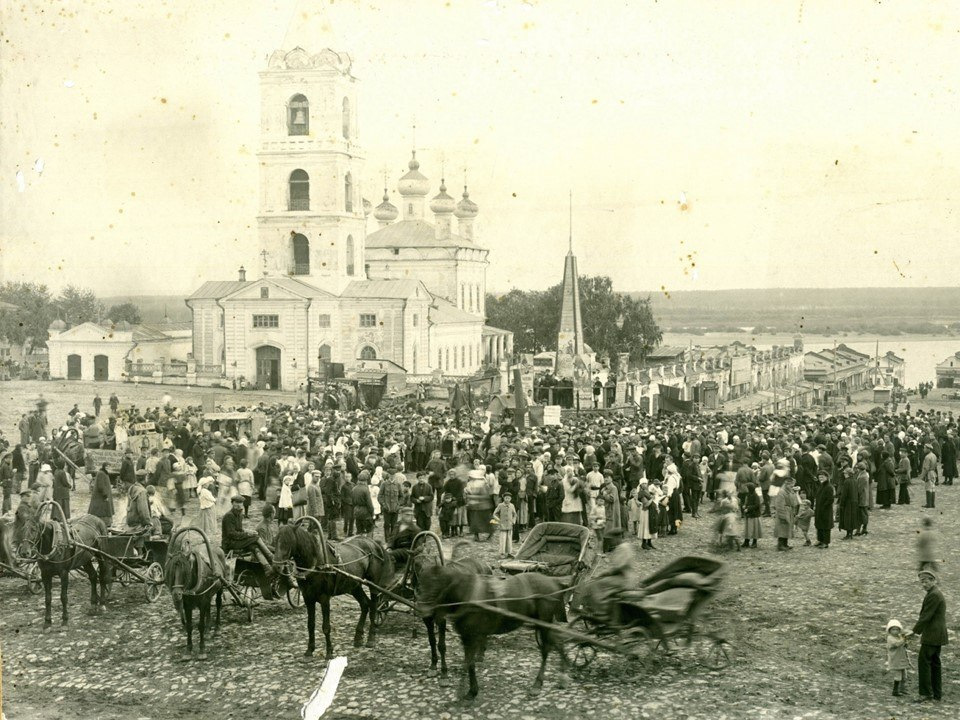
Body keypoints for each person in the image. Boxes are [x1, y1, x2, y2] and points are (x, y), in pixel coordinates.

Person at [912, 569, 947, 703]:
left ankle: (925, 693)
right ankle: (937, 694)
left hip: (932, 634)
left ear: (933, 581)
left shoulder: (934, 595)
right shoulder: (935, 593)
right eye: (922, 582)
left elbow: (926, 616)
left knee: (924, 661)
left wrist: (914, 631)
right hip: (938, 634)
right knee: (934, 662)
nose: (924, 584)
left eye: (926, 581)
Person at [885, 619, 910, 698]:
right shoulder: (890, 638)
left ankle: (902, 689)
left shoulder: (899, 637)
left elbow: (903, 645)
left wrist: (906, 643)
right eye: (893, 629)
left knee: (904, 675)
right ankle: (895, 690)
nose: (895, 631)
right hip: (895, 659)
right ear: (889, 630)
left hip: (901, 658)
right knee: (898, 676)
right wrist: (903, 639)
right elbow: (896, 644)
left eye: (897, 629)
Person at [773, 475, 798, 551]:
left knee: (787, 528)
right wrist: (782, 515)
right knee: (782, 528)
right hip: (784, 511)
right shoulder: (781, 492)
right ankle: (780, 545)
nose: (792, 487)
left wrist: (795, 492)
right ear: (786, 484)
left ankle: (785, 543)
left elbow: (794, 501)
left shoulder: (789, 491)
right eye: (791, 486)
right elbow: (779, 505)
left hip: (789, 511)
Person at [88, 463, 114, 527]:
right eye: (107, 467)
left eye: (109, 467)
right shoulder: (101, 473)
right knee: (101, 511)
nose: (108, 468)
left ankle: (104, 523)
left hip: (104, 496)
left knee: (103, 510)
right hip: (101, 497)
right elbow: (101, 486)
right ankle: (102, 523)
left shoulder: (104, 473)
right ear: (104, 467)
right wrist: (105, 495)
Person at [813, 470, 834, 548]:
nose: (821, 479)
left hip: (826, 510)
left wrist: (824, 507)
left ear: (827, 477)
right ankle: (820, 540)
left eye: (822, 477)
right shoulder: (821, 486)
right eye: (819, 477)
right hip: (819, 509)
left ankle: (825, 542)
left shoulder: (829, 487)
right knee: (819, 525)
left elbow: (830, 499)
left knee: (826, 526)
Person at [492, 491, 516, 558]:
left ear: (510, 499)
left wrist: (513, 521)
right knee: (503, 539)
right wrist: (498, 520)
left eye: (509, 498)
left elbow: (515, 514)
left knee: (509, 539)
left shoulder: (512, 506)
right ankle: (502, 553)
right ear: (503, 498)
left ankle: (509, 552)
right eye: (506, 498)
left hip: (510, 525)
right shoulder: (500, 505)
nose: (507, 499)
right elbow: (494, 514)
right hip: (503, 525)